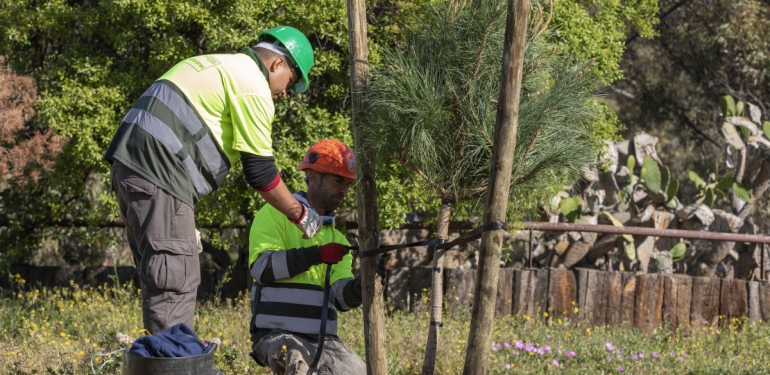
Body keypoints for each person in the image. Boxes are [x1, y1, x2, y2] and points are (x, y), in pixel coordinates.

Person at [105, 26, 325, 334]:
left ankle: (162, 359)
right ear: (277, 64)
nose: (285, 92)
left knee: (161, 280)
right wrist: (301, 214)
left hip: (130, 171)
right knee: (175, 282)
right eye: (291, 81)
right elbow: (260, 173)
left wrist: (178, 215)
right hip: (159, 177)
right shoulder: (253, 86)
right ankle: (174, 365)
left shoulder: (215, 63)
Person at [248, 139, 375, 375]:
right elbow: (262, 268)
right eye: (338, 180)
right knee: (297, 365)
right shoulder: (274, 214)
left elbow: (340, 299)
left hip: (325, 342)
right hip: (276, 335)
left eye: (347, 183)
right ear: (313, 177)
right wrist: (315, 255)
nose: (345, 190)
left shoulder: (339, 239)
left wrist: (362, 286)